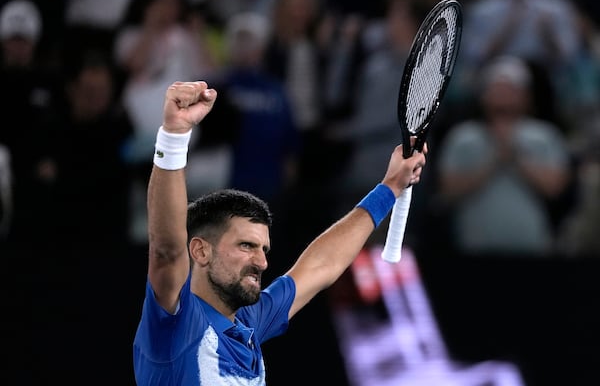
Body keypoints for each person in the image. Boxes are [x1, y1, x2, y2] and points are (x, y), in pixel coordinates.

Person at [133, 80, 427, 385]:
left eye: (264, 250)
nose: (261, 262)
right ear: (200, 250)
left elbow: (321, 266)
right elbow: (167, 252)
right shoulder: (176, 326)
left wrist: (389, 188)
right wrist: (174, 136)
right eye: (246, 245)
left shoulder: (250, 322)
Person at [435, 55, 572, 256]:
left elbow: (555, 188)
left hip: (532, 249)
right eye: (497, 88)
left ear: (526, 96)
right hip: (473, 251)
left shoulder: (545, 136)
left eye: (511, 89)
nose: (503, 95)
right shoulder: (463, 137)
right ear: (483, 95)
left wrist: (515, 156)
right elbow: (447, 191)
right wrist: (494, 159)